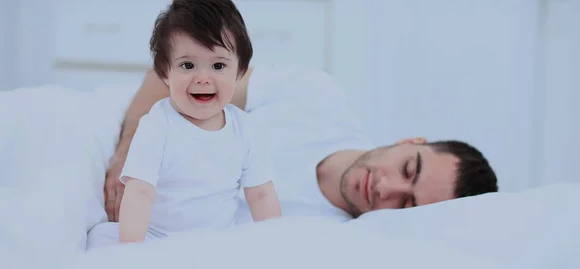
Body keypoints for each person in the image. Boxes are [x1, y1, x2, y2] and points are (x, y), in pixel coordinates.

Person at [103, 33, 499, 225]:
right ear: (411, 141)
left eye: (407, 204)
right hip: (110, 157)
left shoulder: (333, 244)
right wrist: (127, 152)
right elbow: (174, 74)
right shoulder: (316, 96)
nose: (386, 189)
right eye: (408, 169)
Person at [88, 0, 282, 248]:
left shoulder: (244, 128)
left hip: (217, 240)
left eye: (218, 65)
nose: (203, 78)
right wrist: (133, 251)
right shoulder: (157, 125)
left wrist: (276, 245)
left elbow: (262, 194)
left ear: (240, 72)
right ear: (165, 73)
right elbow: (139, 193)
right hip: (157, 238)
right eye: (187, 65)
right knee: (101, 238)